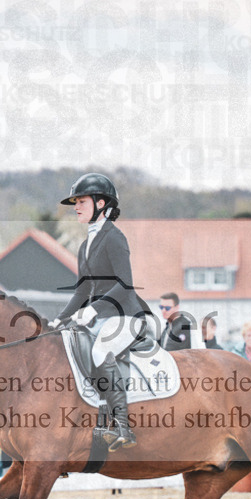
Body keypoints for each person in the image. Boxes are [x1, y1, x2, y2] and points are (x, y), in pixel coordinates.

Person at [49, 172, 149, 451]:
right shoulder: (85, 245)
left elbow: (125, 284)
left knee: (99, 352)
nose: (76, 207)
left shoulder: (114, 238)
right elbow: (82, 291)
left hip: (126, 316)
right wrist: (60, 318)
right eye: (75, 202)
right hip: (102, 316)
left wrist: (93, 310)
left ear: (101, 203)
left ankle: (122, 426)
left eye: (81, 201)